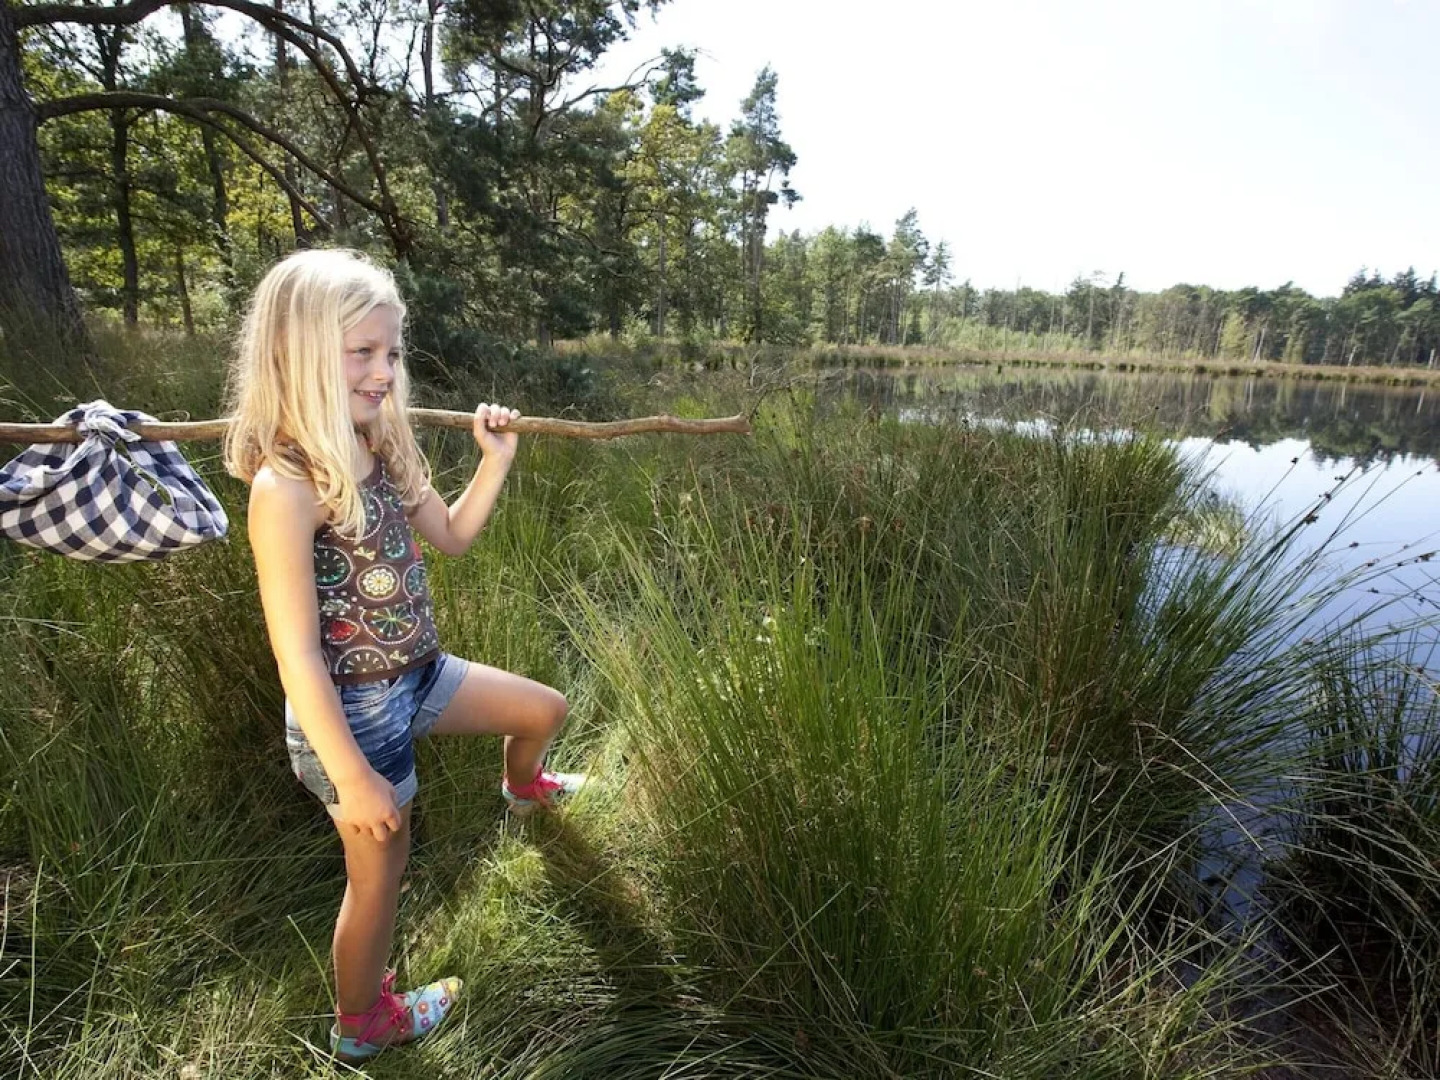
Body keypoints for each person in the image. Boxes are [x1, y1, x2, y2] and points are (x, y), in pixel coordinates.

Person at [222, 248, 584, 1062]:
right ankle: (362, 1027)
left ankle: (523, 790)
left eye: (391, 352)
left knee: (544, 709)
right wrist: (351, 774)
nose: (384, 371)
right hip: (348, 718)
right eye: (362, 353)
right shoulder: (286, 486)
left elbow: (451, 536)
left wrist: (495, 463)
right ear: (299, 352)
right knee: (379, 881)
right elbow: (298, 658)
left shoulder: (380, 444)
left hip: (420, 673)